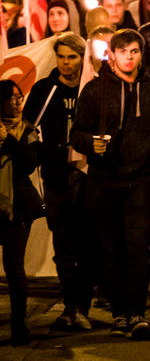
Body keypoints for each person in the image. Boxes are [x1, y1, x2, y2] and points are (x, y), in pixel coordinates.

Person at [70, 29, 150, 339]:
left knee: (137, 248)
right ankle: (119, 313)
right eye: (123, 51)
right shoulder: (95, 90)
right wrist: (89, 144)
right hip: (105, 179)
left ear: (141, 54)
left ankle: (137, 312)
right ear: (111, 54)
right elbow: (77, 132)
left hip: (141, 177)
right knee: (111, 250)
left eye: (134, 51)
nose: (129, 57)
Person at [23, 34, 94, 331]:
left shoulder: (92, 89)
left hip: (88, 176)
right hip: (56, 176)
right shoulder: (44, 89)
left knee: (87, 244)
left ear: (82, 58)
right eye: (61, 57)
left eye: (72, 57)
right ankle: (69, 306)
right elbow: (28, 126)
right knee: (63, 243)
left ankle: (83, 305)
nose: (66, 64)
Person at [0, 80, 45, 345]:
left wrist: (7, 140)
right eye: (11, 98)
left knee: (15, 270)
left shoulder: (27, 129)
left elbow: (29, 163)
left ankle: (19, 326)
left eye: (20, 97)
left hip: (15, 208)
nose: (18, 102)